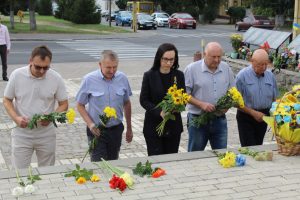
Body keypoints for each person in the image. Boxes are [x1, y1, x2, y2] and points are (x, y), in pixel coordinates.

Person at [3, 45, 68, 169]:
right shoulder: (17, 75)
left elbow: (64, 104)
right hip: (22, 133)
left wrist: (51, 117)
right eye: (38, 67)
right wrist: (16, 118)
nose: (42, 71)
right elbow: (7, 100)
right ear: (30, 61)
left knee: (47, 172)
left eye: (46, 68)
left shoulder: (56, 78)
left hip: (46, 134)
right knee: (19, 172)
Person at [76, 50, 133, 161]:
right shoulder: (89, 79)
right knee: (98, 164)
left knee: (113, 162)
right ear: (100, 64)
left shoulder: (122, 78)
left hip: (116, 130)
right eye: (108, 67)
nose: (112, 71)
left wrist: (129, 128)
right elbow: (80, 105)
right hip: (97, 131)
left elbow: (127, 103)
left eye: (115, 67)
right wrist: (90, 124)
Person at [184, 42, 235, 151]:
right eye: (213, 57)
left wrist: (227, 106)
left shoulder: (226, 68)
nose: (216, 60)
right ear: (204, 54)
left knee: (222, 154)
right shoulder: (192, 69)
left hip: (219, 120)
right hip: (198, 120)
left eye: (219, 57)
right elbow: (184, 94)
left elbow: (233, 92)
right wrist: (201, 104)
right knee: (195, 155)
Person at [140, 43, 185, 156]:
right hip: (153, 127)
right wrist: (159, 111)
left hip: (173, 127)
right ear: (159, 58)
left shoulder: (179, 75)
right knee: (156, 162)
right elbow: (143, 100)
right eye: (165, 59)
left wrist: (177, 107)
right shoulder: (149, 75)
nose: (169, 63)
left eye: (172, 59)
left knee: (171, 160)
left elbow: (184, 98)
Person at [236, 49, 278, 147]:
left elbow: (275, 98)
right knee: (249, 148)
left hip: (264, 116)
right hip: (246, 117)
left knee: (259, 146)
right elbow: (235, 102)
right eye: (260, 64)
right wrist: (253, 113)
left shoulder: (270, 76)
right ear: (252, 61)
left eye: (266, 64)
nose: (264, 67)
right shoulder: (242, 76)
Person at [0, 16, 11, 81]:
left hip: (3, 46)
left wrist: (8, 47)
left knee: (4, 63)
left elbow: (7, 38)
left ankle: (4, 76)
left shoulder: (4, 27)